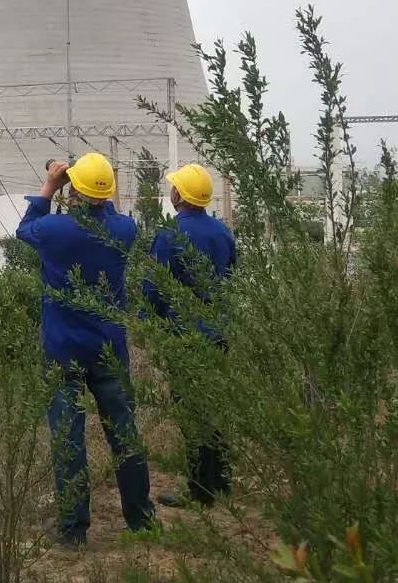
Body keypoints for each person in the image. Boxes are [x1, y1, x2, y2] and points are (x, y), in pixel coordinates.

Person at [17, 152, 154, 545]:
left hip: (63, 350)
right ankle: (141, 520)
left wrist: (51, 185)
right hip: (109, 347)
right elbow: (105, 211)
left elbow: (24, 229)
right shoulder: (124, 230)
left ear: (73, 191)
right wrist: (88, 190)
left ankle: (73, 530)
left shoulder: (53, 231)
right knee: (124, 433)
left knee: (69, 438)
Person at [143, 162, 236, 508]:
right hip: (218, 333)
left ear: (179, 195)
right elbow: (232, 275)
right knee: (215, 407)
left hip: (185, 336)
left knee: (192, 413)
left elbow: (154, 285)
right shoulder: (222, 232)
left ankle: (199, 491)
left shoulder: (170, 234)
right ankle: (221, 481)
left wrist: (146, 323)